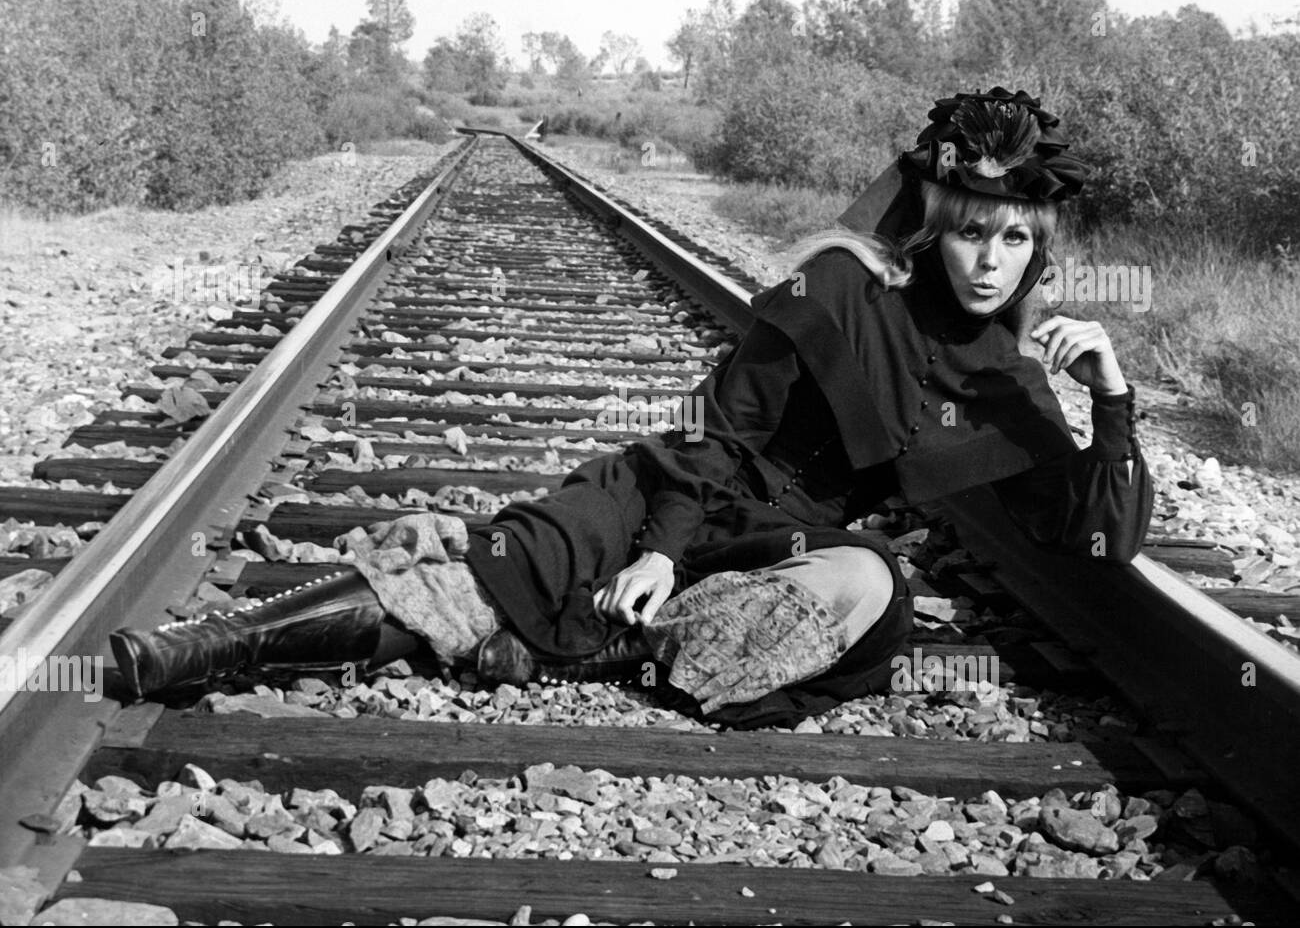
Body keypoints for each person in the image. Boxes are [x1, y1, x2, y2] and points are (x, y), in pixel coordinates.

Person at [111, 86, 1154, 730]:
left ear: (1037, 250)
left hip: (783, 548)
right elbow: (717, 427)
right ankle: (208, 648)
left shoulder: (1008, 381)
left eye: (1015, 239)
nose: (990, 261)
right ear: (933, 226)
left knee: (871, 585)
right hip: (673, 490)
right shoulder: (843, 287)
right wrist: (658, 549)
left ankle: (603, 645)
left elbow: (1099, 532)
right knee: (495, 576)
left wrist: (1110, 395)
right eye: (971, 232)